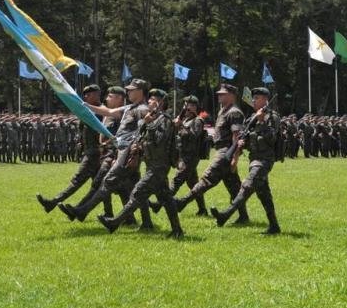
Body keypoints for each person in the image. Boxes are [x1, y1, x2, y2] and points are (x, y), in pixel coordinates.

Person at [60, 78, 153, 229]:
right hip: (122, 152)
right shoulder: (131, 107)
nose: (128, 92)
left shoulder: (143, 109)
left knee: (108, 182)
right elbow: (109, 112)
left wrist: (135, 152)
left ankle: (82, 211)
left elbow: (146, 131)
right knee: (136, 188)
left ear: (140, 92)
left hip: (128, 153)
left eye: (132, 90)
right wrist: (86, 105)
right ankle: (146, 223)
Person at [98, 88, 184, 239]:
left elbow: (159, 140)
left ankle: (114, 222)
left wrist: (149, 125)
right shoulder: (154, 118)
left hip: (159, 166)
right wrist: (145, 127)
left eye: (152, 100)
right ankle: (177, 230)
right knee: (166, 199)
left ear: (159, 102)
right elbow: (142, 136)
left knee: (138, 192)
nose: (149, 102)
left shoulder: (164, 120)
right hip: (153, 165)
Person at [172, 84, 248, 223]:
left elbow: (237, 137)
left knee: (207, 178)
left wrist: (234, 158)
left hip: (226, 151)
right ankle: (243, 216)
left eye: (223, 94)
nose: (219, 95)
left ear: (232, 95)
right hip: (221, 150)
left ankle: (182, 202)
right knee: (234, 186)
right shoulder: (223, 111)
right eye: (219, 93)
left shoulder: (234, 112)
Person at [211, 87, 280, 235]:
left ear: (265, 100)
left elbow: (272, 139)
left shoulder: (272, 117)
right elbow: (250, 139)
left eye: (256, 98)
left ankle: (225, 215)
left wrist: (262, 122)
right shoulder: (252, 117)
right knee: (264, 194)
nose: (253, 101)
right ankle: (274, 226)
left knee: (247, 185)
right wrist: (243, 143)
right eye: (253, 98)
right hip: (254, 159)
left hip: (264, 160)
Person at [37, 85, 104, 213]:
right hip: (90, 152)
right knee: (100, 185)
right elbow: (83, 130)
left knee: (78, 181)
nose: (87, 97)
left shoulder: (101, 111)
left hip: (95, 153)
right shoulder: (86, 111)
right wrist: (80, 142)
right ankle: (100, 212)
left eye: (94, 94)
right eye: (88, 95)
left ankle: (53, 202)